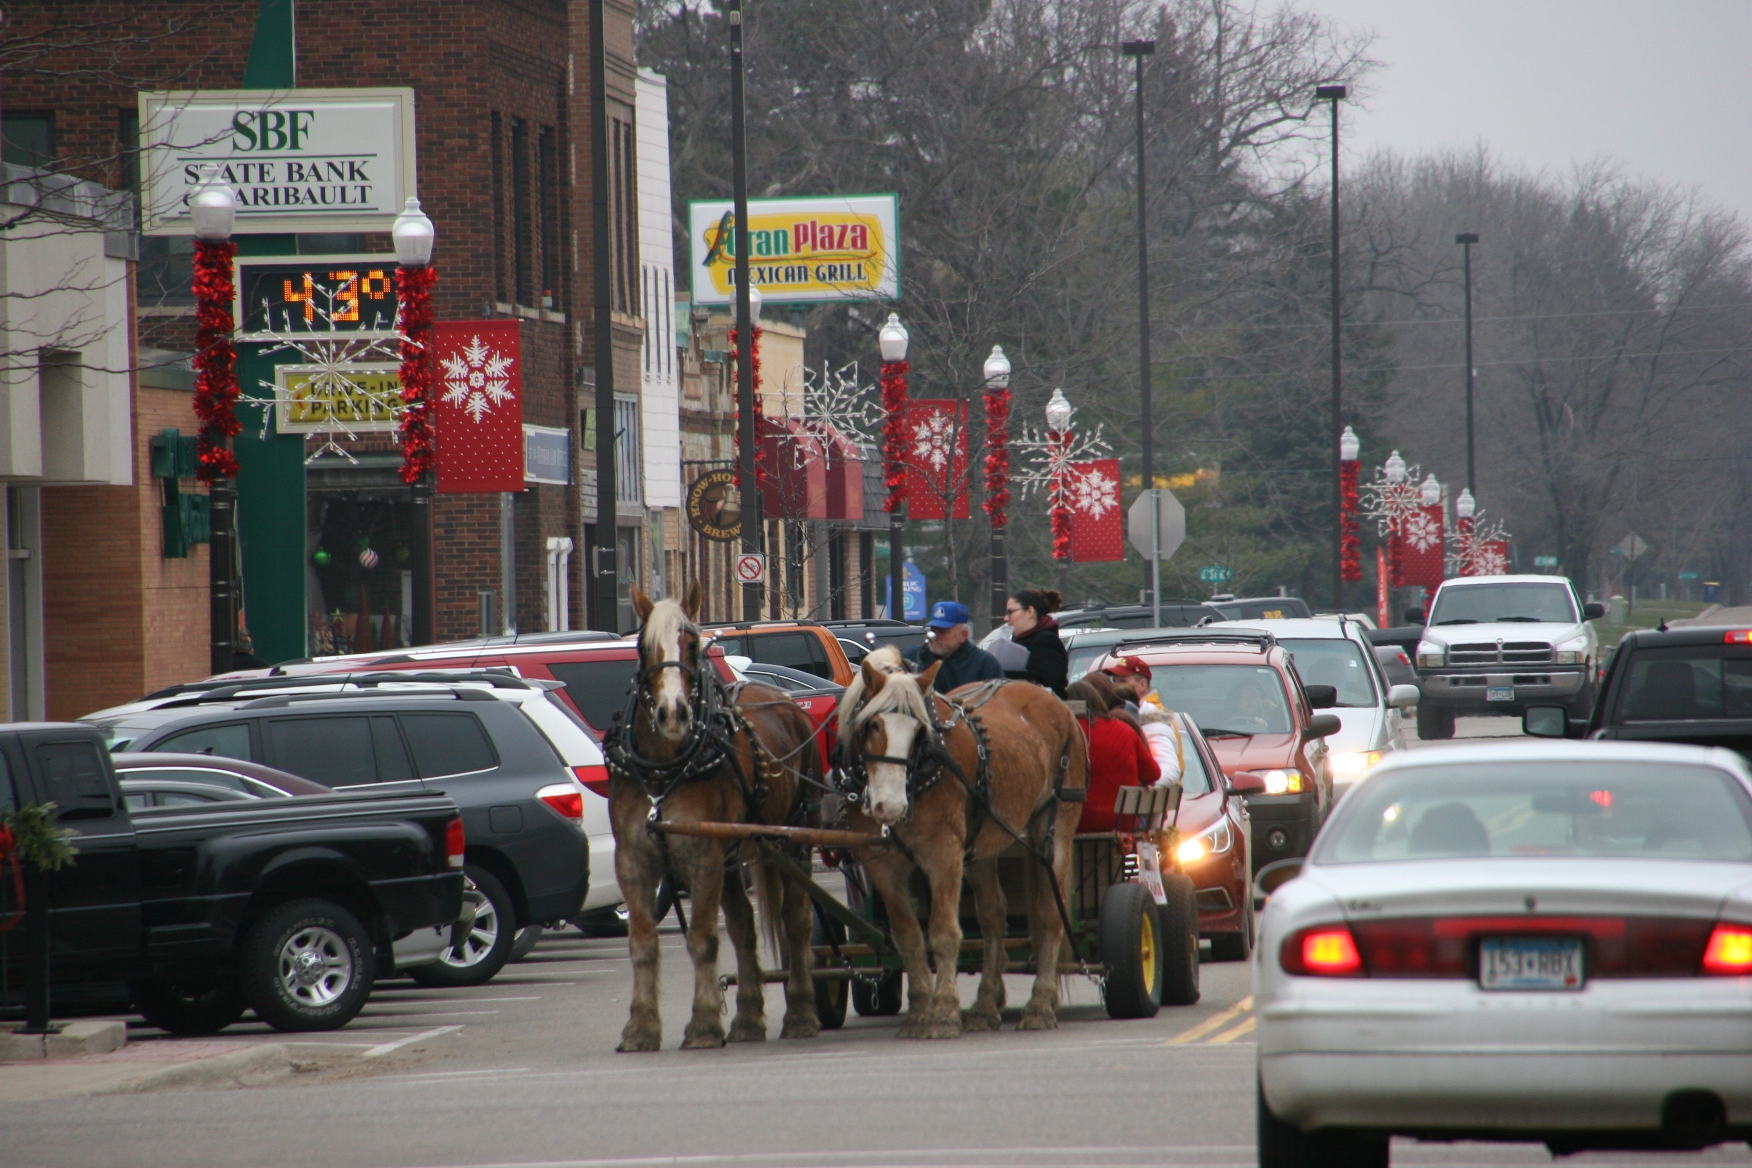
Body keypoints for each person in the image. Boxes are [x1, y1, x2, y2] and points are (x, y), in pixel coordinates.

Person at [1066, 677, 1160, 832]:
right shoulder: (1125, 729)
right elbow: (1153, 774)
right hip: (1125, 826)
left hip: (1078, 825)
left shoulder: (1066, 733)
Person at [907, 600, 1003, 694]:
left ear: (963, 635)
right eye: (933, 630)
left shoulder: (985, 665)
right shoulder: (913, 657)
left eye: (942, 632)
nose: (934, 637)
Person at [1001, 587, 1069, 697]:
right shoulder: (1019, 640)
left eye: (1010, 612)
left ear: (1030, 611)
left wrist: (1002, 674)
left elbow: (1044, 681)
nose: (1006, 618)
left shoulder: (1047, 641)